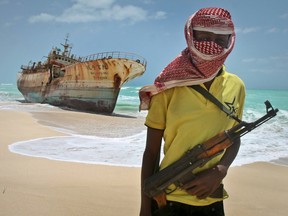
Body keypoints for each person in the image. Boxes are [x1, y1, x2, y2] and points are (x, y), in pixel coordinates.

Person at [139, 7, 246, 216]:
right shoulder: (167, 87)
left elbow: (234, 136)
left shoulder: (237, 86)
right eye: (204, 36)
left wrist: (221, 170)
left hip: (212, 200)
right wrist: (144, 209)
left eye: (220, 39)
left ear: (229, 42)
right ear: (190, 35)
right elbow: (151, 152)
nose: (211, 45)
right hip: (167, 199)